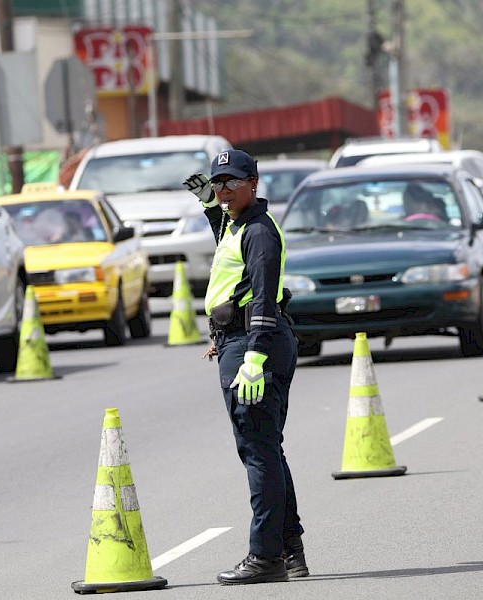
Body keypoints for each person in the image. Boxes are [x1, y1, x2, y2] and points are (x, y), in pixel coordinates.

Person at [184, 149, 307, 585]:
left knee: (258, 450)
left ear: (254, 183)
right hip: (239, 341)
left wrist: (254, 355)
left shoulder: (259, 232)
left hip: (256, 345)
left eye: (232, 183)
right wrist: (207, 205)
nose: (222, 190)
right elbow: (225, 235)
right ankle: (290, 551)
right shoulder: (237, 223)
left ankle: (265, 556)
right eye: (217, 183)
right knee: (266, 447)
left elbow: (263, 294)